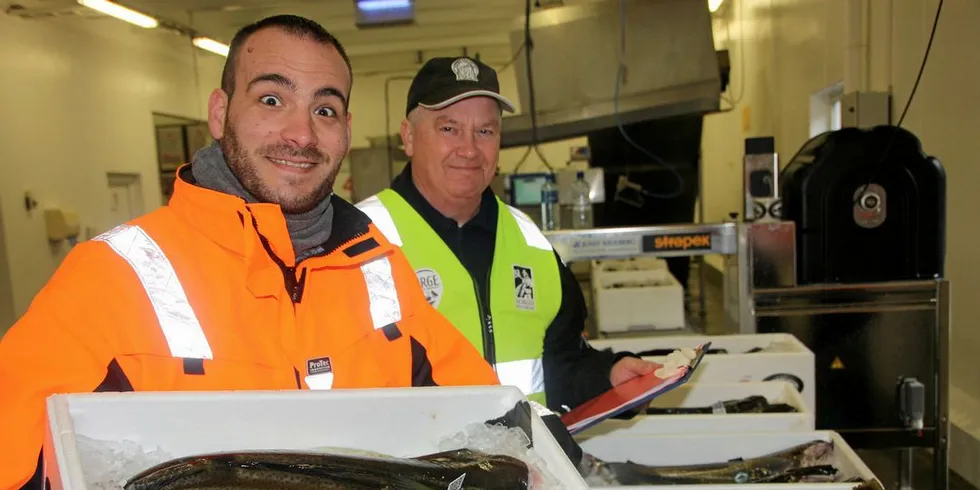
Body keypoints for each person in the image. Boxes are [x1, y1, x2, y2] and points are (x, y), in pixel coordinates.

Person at [0, 16, 499, 490]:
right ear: (220, 113)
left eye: (323, 110)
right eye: (271, 99)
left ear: (345, 128)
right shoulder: (110, 276)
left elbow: (492, 427)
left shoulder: (376, 266)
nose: (301, 134)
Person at [355, 56, 657, 415]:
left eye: (485, 131)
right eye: (448, 129)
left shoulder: (531, 243)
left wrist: (608, 376)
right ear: (408, 136)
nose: (469, 150)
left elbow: (560, 363)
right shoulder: (360, 242)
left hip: (525, 464)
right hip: (418, 469)